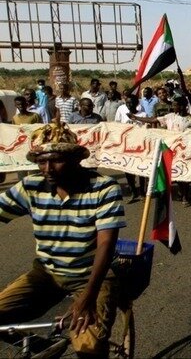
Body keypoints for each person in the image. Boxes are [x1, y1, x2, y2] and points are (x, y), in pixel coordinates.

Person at [0, 122, 125, 356]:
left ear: (75, 159)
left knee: (88, 348)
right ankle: (44, 349)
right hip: (47, 273)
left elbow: (106, 244)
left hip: (91, 277)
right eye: (41, 162)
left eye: (56, 161)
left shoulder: (104, 187)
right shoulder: (30, 186)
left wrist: (88, 297)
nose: (48, 169)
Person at [130, 97, 191, 206]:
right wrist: (136, 117)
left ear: (181, 106)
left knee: (185, 173)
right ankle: (181, 191)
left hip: (185, 151)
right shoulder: (170, 117)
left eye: (175, 105)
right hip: (171, 150)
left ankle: (185, 196)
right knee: (176, 174)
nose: (173, 107)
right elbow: (154, 120)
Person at [114, 94, 147, 203]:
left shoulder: (143, 114)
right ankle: (133, 192)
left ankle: (142, 192)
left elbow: (146, 130)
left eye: (131, 102)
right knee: (128, 170)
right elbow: (117, 126)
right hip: (126, 145)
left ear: (137, 103)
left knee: (141, 170)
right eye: (127, 102)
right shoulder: (121, 110)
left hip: (140, 146)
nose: (129, 104)